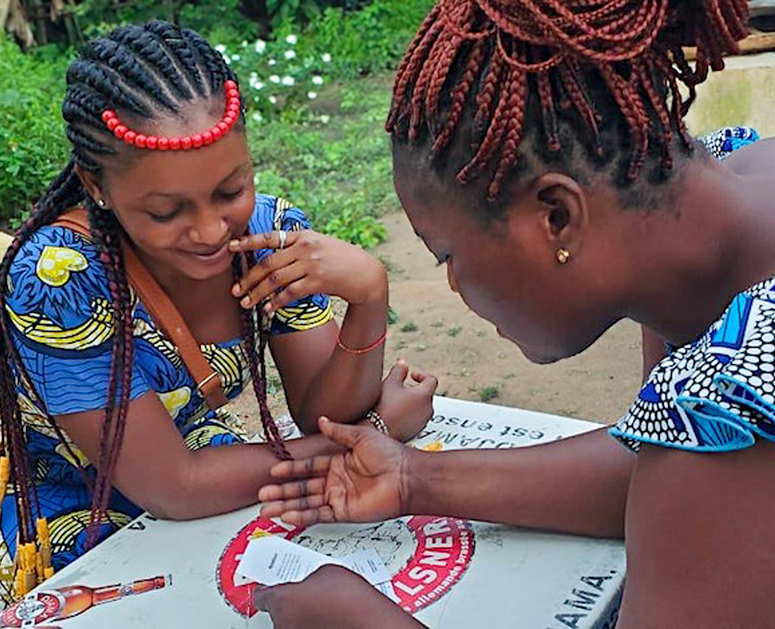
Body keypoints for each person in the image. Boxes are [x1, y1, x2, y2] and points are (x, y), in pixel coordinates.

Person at [252, 0, 775, 626]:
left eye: (449, 254)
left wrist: (364, 620)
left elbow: (704, 483)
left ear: (556, 216)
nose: (452, 285)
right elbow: (665, 480)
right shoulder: (722, 207)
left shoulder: (734, 390)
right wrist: (414, 478)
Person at [0, 20, 437, 601]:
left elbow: (321, 414)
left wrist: (368, 300)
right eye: (165, 212)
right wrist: (377, 434)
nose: (210, 232)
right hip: (67, 511)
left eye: (230, 192)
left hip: (211, 479)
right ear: (95, 185)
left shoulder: (266, 240)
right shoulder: (62, 282)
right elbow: (174, 486)